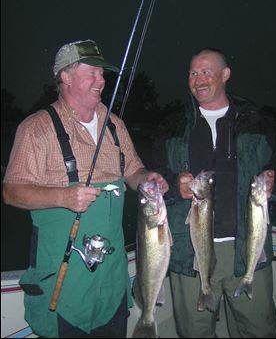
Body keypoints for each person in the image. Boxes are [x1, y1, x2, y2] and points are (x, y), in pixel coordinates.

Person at [2, 39, 168, 338]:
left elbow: (133, 171)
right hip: (64, 282)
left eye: (102, 74)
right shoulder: (36, 128)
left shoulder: (115, 125)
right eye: (92, 73)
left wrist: (148, 179)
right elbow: (12, 191)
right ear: (65, 76)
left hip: (112, 279)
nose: (101, 80)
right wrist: (63, 196)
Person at [152, 48, 276, 338]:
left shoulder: (257, 121)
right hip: (189, 252)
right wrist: (174, 184)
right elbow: (155, 177)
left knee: (259, 330)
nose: (198, 79)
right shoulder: (172, 125)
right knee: (194, 332)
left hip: (247, 247)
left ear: (225, 75)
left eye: (206, 71)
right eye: (192, 73)